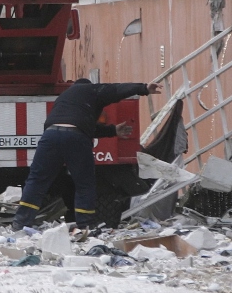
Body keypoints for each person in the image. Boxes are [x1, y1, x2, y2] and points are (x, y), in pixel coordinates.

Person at [12, 79, 160, 230]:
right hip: (76, 138)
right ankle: (85, 225)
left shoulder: (64, 97)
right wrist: (143, 88)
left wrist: (113, 131)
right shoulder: (92, 90)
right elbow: (116, 90)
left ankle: (20, 222)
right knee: (84, 184)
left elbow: (83, 125)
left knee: (36, 181)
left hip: (50, 136)